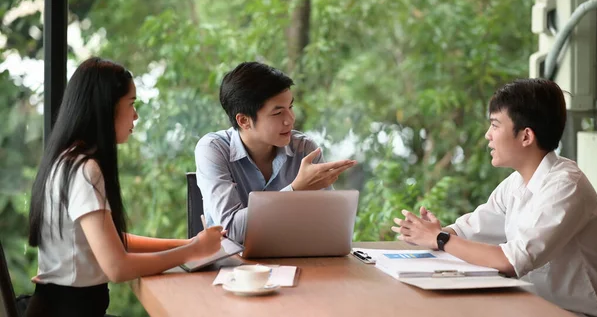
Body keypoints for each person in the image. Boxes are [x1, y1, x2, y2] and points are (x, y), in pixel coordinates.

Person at [25, 57, 224, 317]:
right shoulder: (84, 169)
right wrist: (193, 251)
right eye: (131, 104)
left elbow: (114, 242)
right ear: (106, 108)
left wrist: (188, 243)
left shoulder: (68, 160)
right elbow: (117, 268)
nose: (136, 115)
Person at [391, 78, 597, 317]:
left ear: (526, 136)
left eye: (495, 125)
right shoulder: (515, 183)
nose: (487, 135)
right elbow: (471, 229)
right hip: (528, 306)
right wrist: (436, 233)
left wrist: (439, 239)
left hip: (572, 313)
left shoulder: (566, 186)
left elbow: (511, 261)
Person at [195, 62, 357, 243]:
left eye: (291, 107)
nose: (290, 119)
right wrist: (295, 190)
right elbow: (232, 229)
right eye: (278, 113)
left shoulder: (304, 150)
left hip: (297, 259)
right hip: (233, 266)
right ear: (244, 121)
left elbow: (330, 227)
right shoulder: (212, 149)